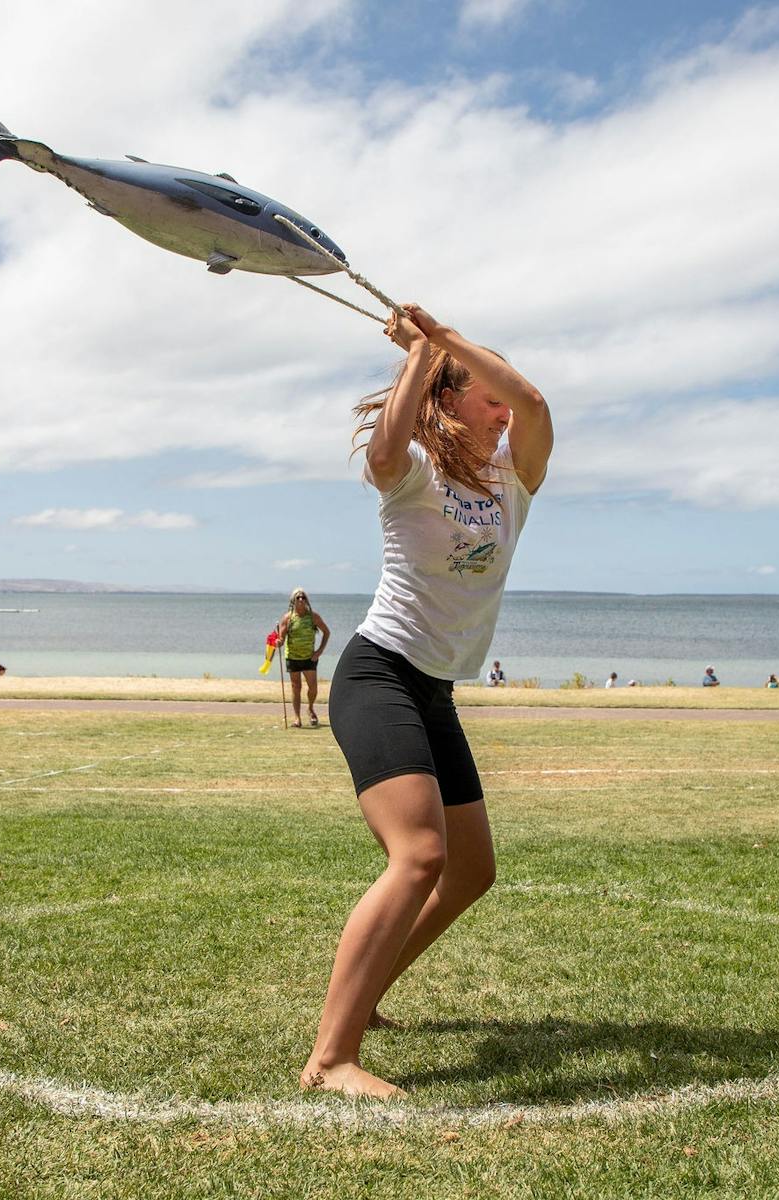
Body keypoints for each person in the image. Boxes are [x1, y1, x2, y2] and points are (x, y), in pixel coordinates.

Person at [303, 301, 552, 1101]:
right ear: (447, 401)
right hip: (379, 674)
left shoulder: (516, 480)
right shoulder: (413, 472)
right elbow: (384, 445)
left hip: (435, 689)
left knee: (470, 871)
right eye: (485, 393)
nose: (504, 407)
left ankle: (364, 997)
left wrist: (443, 339)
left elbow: (538, 404)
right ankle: (331, 1058)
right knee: (420, 856)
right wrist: (421, 358)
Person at [277, 588, 330, 728]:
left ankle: (311, 708)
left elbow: (326, 632)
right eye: (298, 597)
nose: (301, 599)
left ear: (306, 600)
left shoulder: (313, 616)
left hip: (309, 657)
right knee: (296, 687)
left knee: (313, 687)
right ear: (293, 601)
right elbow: (281, 637)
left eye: (303, 597)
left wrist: (319, 651)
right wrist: (279, 642)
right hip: (292, 656)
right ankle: (297, 718)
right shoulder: (287, 618)